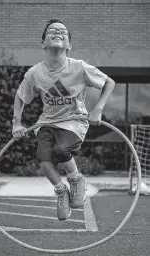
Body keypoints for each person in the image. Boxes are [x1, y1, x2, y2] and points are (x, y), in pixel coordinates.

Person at [12, 19, 115, 220]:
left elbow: (109, 83)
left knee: (60, 150)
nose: (58, 32)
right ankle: (61, 191)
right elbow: (20, 96)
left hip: (74, 121)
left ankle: (77, 179)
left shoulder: (79, 67)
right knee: (43, 159)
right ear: (43, 43)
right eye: (52, 30)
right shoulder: (34, 73)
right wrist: (16, 122)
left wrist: (98, 109)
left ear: (69, 45)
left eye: (63, 31)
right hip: (47, 123)